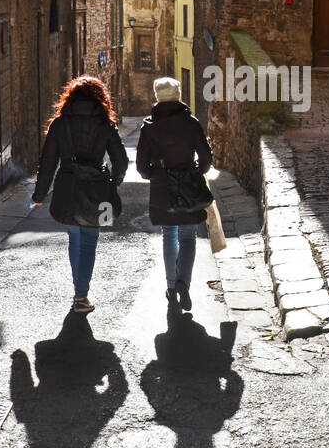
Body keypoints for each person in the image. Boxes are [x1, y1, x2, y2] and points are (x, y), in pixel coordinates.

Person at [32, 76, 128, 314]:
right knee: (89, 242)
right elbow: (121, 159)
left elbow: (48, 162)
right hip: (96, 188)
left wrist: (39, 194)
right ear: (100, 99)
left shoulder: (60, 124)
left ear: (70, 98)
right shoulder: (105, 124)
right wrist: (114, 183)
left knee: (74, 237)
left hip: (68, 187)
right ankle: (81, 295)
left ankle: (79, 293)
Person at [136, 76, 212, 311]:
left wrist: (156, 175)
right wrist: (196, 172)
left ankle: (171, 286)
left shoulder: (149, 127)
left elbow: (141, 166)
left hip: (162, 188)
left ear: (157, 97)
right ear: (178, 95)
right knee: (188, 236)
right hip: (188, 185)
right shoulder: (191, 122)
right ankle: (183, 283)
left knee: (169, 235)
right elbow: (206, 157)